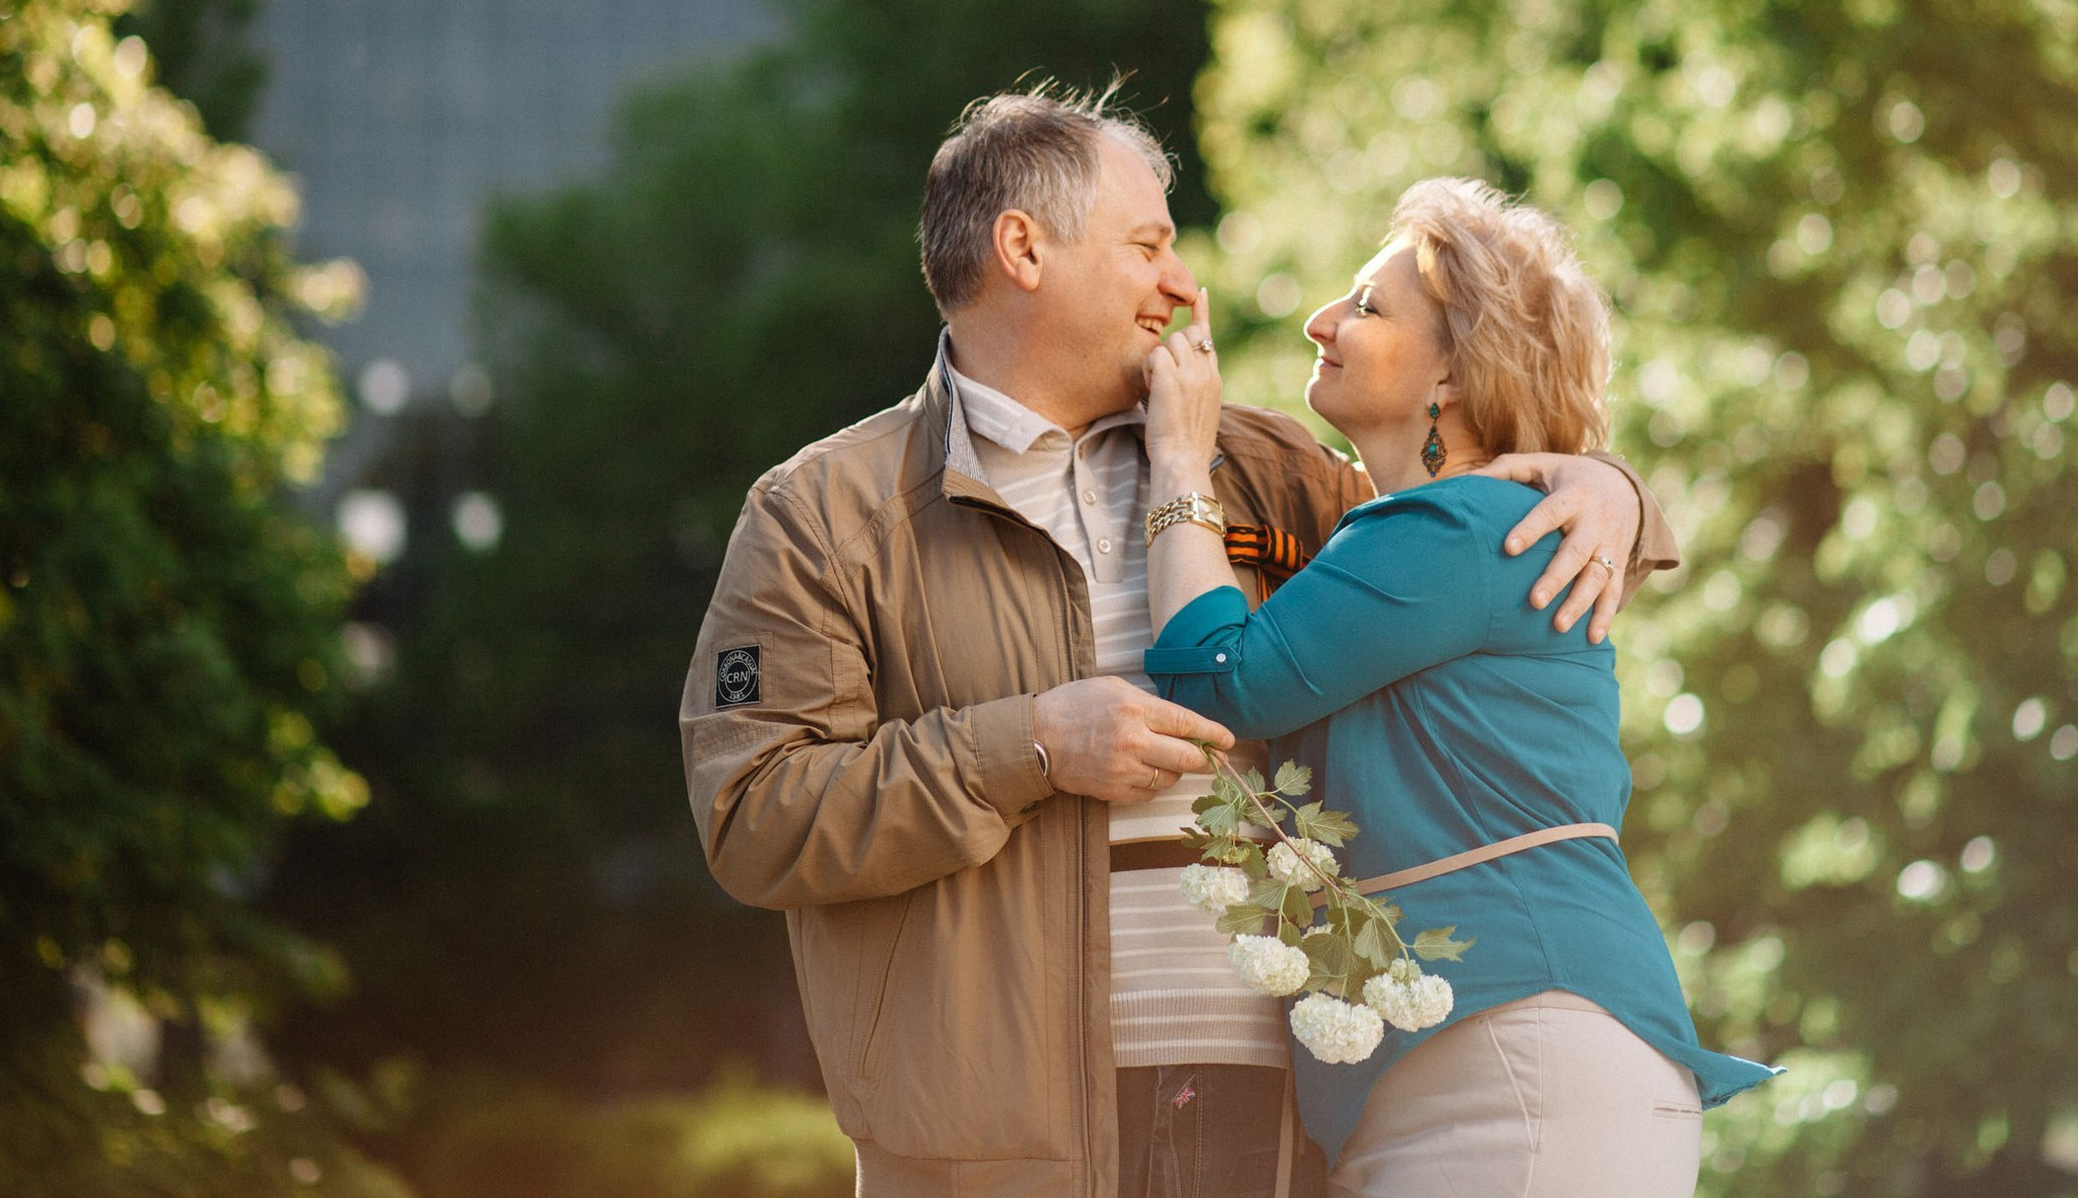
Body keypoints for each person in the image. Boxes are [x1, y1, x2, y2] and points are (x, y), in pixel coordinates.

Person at [681, 90, 1681, 1198]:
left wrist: (1612, 490)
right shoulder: (824, 513)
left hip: (1278, 1120)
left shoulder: (1273, 468)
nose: (1181, 284)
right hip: (985, 1138)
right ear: (1024, 249)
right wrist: (1031, 748)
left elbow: (1485, 556)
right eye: (1148, 246)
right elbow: (755, 814)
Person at [1138, 175, 1777, 1198]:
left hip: (1514, 1065)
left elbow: (1221, 685)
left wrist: (1175, 460)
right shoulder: (1483, 529)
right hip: (1515, 1061)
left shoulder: (1448, 531)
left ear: (1453, 375)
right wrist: (1607, 478)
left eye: (1366, 306)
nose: (1320, 320)